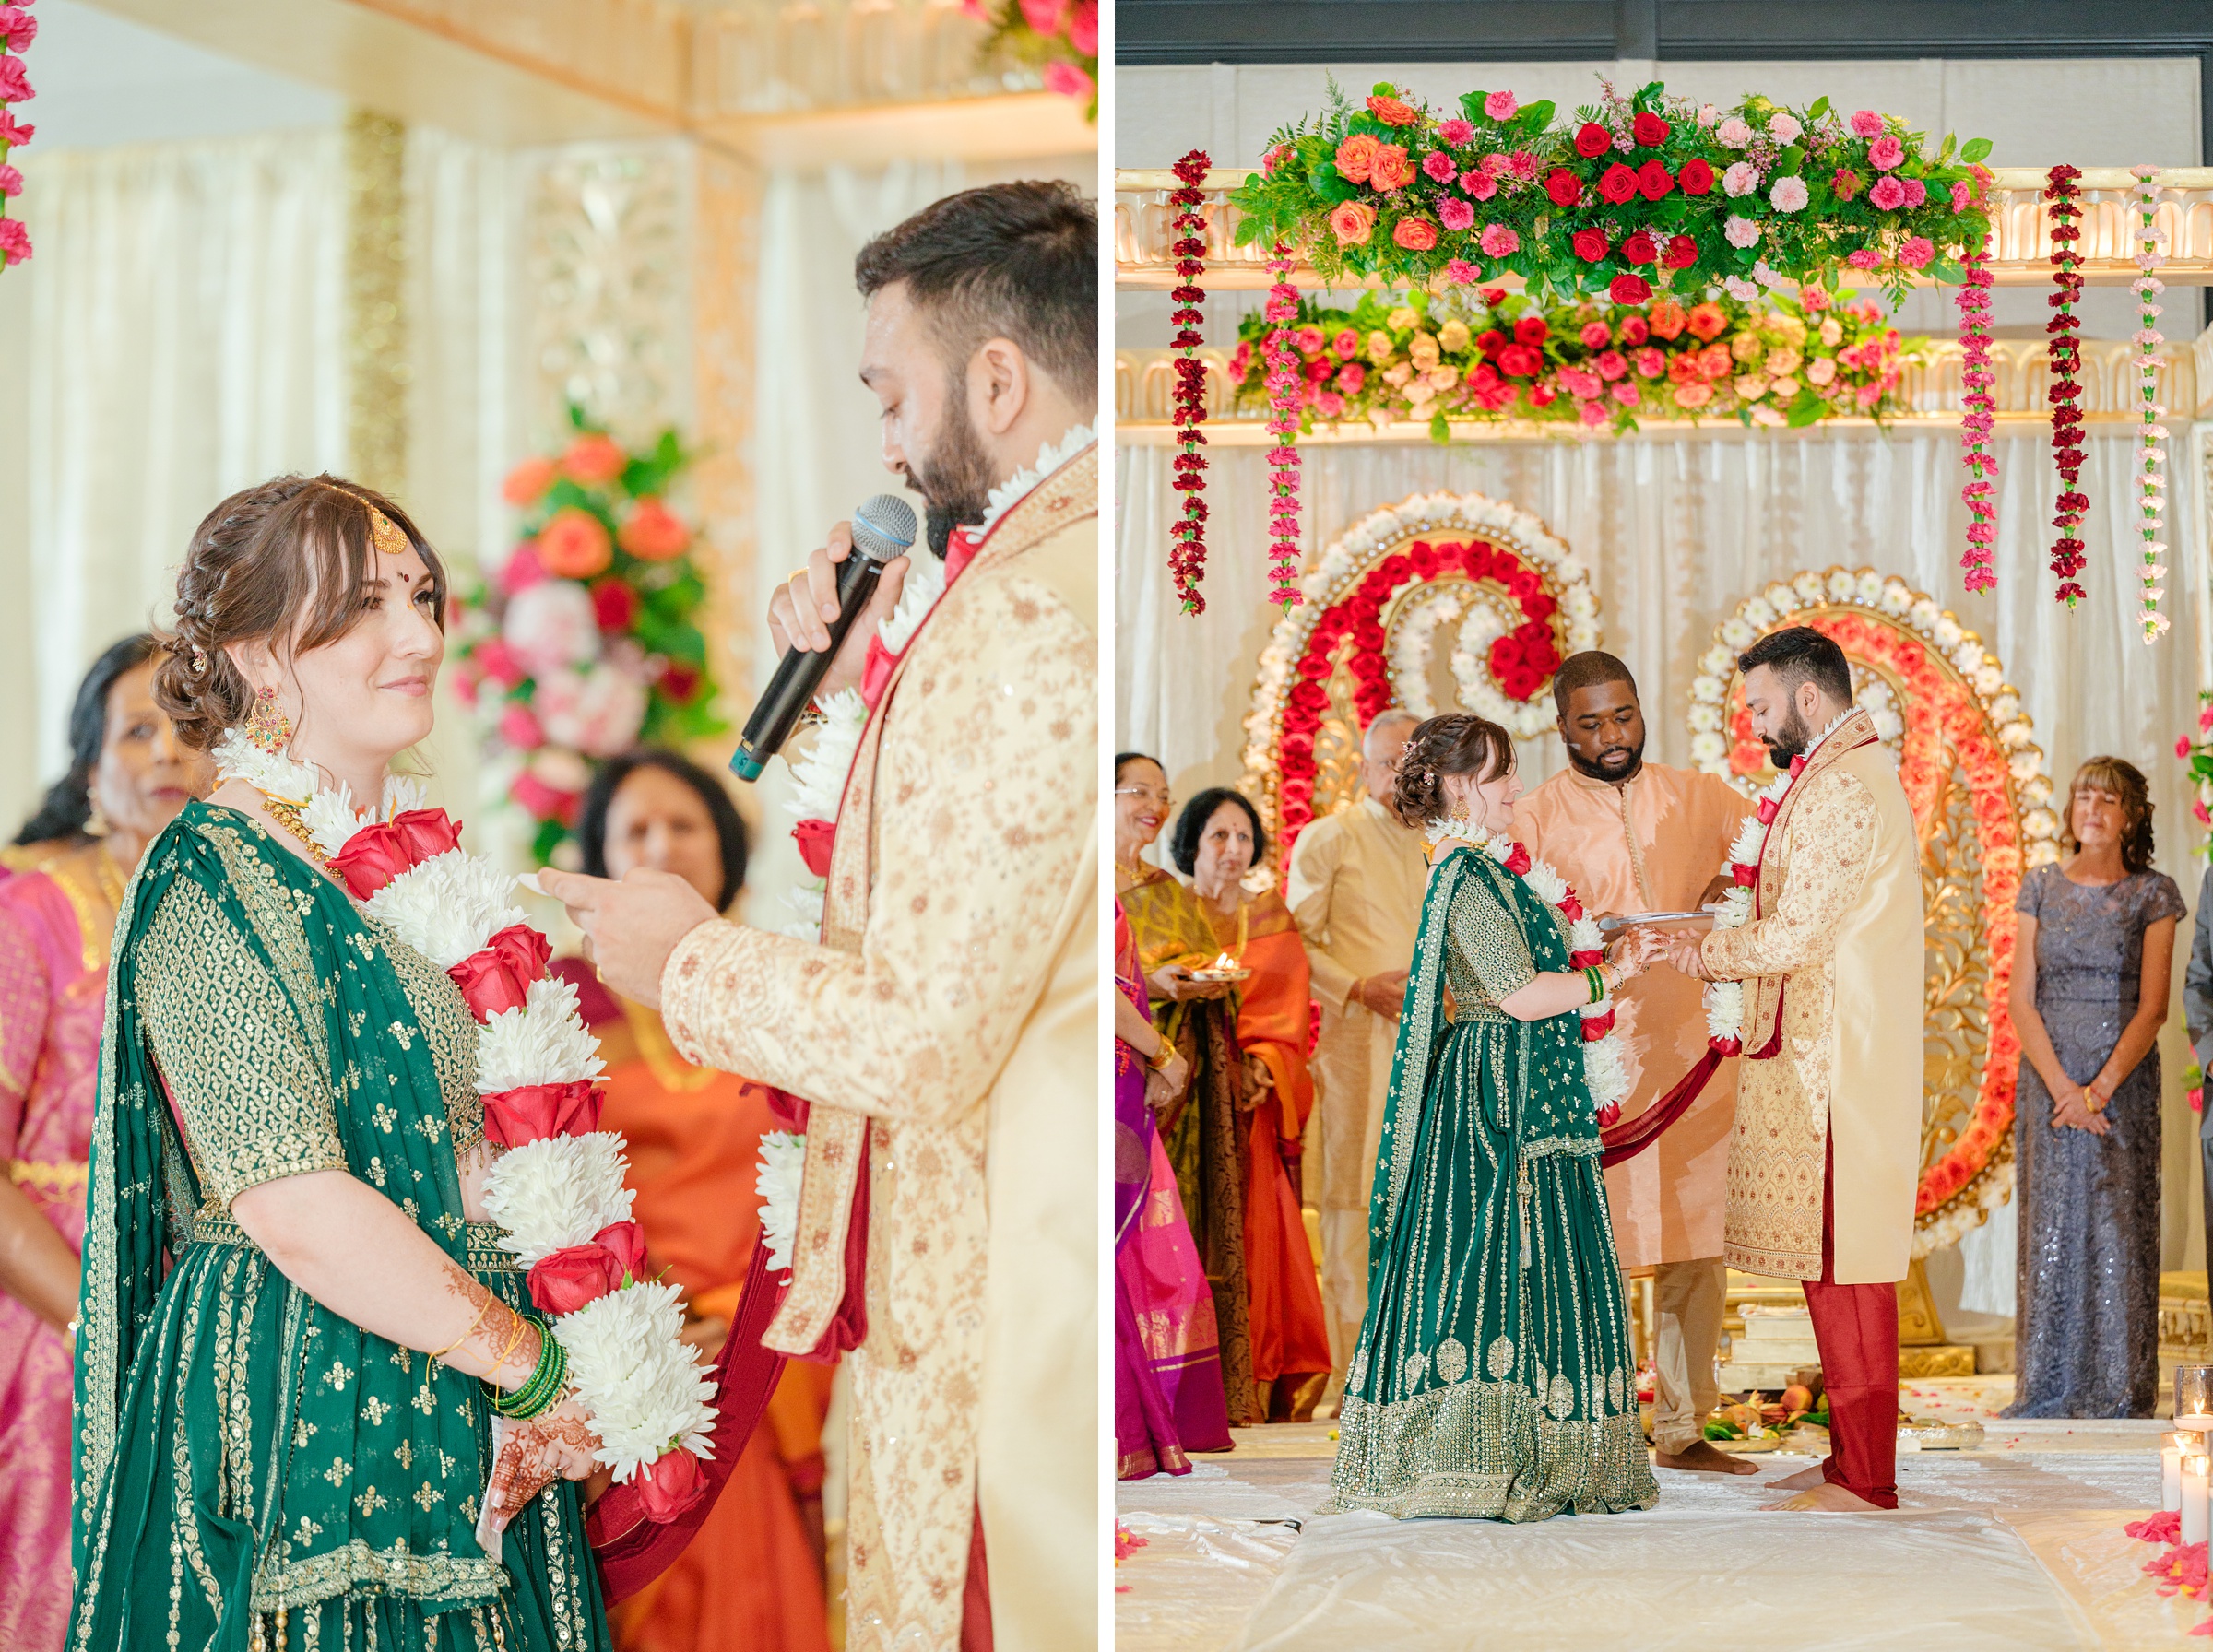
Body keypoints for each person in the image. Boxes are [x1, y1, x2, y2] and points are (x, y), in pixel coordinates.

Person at [538, 180, 1096, 1652]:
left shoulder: (1032, 613)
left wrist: (690, 961)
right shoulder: (1001, 590)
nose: (887, 441)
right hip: (959, 1263)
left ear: (996, 379)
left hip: (1000, 1294)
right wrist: (859, 679)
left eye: (888, 390)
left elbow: (925, 1034)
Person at [71, 475, 614, 1650]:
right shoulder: (209, 874)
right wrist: (528, 1365)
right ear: (261, 656)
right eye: (366, 606)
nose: (420, 635)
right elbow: (296, 1201)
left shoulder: (409, 879)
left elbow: (479, 1150)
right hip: (303, 1397)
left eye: (420, 596)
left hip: (461, 1381)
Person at [1331, 713, 1663, 1522]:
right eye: (1498, 774)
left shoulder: (1495, 867)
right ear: (1454, 787)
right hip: (1494, 1103)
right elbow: (1515, 996)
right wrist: (1605, 978)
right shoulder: (1464, 875)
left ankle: (1547, 1445)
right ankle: (1473, 1455)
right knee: (1491, 1262)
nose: (1514, 785)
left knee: (1537, 1259)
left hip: (1530, 1087)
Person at [556, 749, 834, 1652]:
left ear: (728, 850)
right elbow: (541, 1187)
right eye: (634, 829)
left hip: (773, 1347)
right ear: (598, 853)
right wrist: (638, 1325)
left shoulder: (776, 991)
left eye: (684, 824)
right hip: (624, 1359)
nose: (660, 844)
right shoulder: (561, 1005)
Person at [1663, 626, 1923, 1514]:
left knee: (1849, 1262)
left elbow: (1801, 934)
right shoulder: (1828, 777)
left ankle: (1870, 1477)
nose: (1757, 725)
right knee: (1829, 1259)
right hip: (1820, 1051)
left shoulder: (1845, 787)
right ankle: (1852, 1459)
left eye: (1763, 707)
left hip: (1841, 1060)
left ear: (1809, 699)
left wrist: (1702, 954)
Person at [0, 634, 212, 1652]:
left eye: (192, 725)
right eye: (139, 729)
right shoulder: (31, 913)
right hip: (56, 1332)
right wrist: (104, 1338)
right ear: (90, 772)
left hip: (203, 1338)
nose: (171, 749)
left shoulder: (231, 921)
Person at [1511, 652, 1756, 1475]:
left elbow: (1766, 858)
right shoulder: (1535, 816)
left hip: (1695, 1054)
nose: (1611, 737)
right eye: (1590, 723)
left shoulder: (1701, 795)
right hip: (1595, 1055)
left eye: (1622, 717)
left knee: (1698, 1242)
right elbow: (1511, 930)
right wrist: (1588, 932)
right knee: (1596, 1244)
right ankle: (1600, 1426)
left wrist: (1729, 889)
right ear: (1561, 728)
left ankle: (1685, 1428)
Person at [2004, 757, 2182, 1419]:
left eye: (2108, 801)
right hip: (2049, 1085)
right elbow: (2022, 1000)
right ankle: (2048, 1383)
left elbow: (2154, 1007)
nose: (2093, 811)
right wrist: (2063, 1091)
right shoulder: (2040, 886)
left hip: (2122, 1085)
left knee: (2116, 1225)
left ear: (2131, 815)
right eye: (2083, 797)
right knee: (2053, 1224)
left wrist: (2099, 1090)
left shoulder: (2153, 893)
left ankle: (2117, 1387)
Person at [1169, 785, 1333, 1422]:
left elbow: (1287, 1006)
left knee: (1256, 1237)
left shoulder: (1269, 917)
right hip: (1178, 1101)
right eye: (1218, 836)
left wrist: (1264, 1063)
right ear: (1192, 844)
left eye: (1243, 838)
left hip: (1245, 1106)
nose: (1232, 849)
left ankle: (1255, 1377)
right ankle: (1181, 1385)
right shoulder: (1165, 910)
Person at [1284, 708, 1426, 1411]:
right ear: (1365, 768)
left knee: (1431, 1206)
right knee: (1351, 1208)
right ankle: (1354, 1380)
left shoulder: (1448, 846)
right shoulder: (1328, 838)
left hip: (1440, 1046)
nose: (1404, 772)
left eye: (1417, 760)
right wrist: (1356, 987)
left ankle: (1426, 1375)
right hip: (1355, 1051)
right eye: (1391, 760)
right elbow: (1291, 945)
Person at [1117, 753, 1258, 1427]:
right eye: (1139, 790)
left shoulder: (1167, 892)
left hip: (1175, 1079)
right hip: (1118, 1067)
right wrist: (1158, 991)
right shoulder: (1084, 880)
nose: (1155, 803)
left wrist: (1192, 984)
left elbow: (1209, 969)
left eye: (1163, 794)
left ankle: (1166, 1403)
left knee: (1167, 1247)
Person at [1112, 893, 1234, 1477]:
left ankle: (1150, 1419)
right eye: (1142, 792)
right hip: (1108, 1081)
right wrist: (1163, 1055)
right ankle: (1131, 1426)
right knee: (1119, 1254)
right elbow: (1099, 989)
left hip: (1119, 1080)